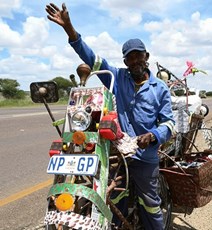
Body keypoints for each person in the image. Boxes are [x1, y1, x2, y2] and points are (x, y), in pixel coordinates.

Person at [46, 3, 175, 229]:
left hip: (145, 157)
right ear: (125, 61)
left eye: (138, 57)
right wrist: (69, 29)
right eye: (130, 58)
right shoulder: (117, 77)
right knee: (114, 200)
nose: (135, 62)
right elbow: (91, 58)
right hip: (118, 154)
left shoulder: (160, 88)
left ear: (146, 56)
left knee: (150, 203)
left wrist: (153, 136)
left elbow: (169, 124)